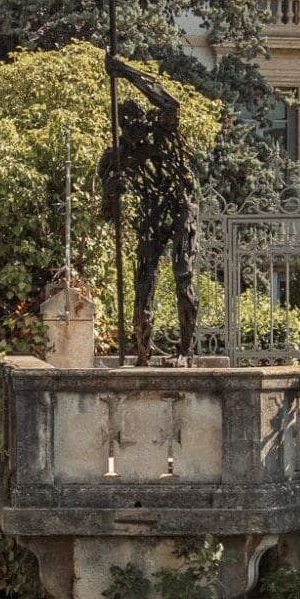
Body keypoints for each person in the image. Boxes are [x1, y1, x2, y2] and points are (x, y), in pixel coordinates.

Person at [98, 53, 200, 365]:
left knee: (182, 273)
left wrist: (125, 71)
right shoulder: (115, 159)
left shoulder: (163, 131)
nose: (133, 129)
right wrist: (112, 192)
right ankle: (143, 352)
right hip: (152, 214)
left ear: (145, 118)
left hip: (181, 206)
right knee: (143, 281)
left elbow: (169, 103)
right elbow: (107, 214)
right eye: (126, 124)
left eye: (137, 121)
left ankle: (185, 351)